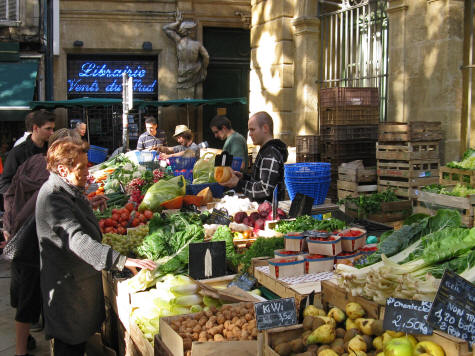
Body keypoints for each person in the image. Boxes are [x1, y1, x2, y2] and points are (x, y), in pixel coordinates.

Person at [36, 138, 156, 355]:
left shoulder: (64, 188)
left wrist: (88, 206)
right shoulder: (52, 196)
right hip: (67, 289)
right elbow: (76, 239)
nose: (88, 172)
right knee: (69, 343)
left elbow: (70, 215)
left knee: (79, 339)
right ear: (63, 169)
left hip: (79, 282)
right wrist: (120, 259)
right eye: (82, 168)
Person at [2, 129, 82, 356]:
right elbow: (56, 204)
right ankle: (20, 351)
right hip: (31, 242)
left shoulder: (39, 164)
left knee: (28, 296)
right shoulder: (50, 176)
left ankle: (28, 342)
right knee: (29, 298)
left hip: (24, 233)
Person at [219, 111, 288, 203]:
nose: (250, 134)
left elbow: (265, 189)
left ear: (265, 128)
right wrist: (244, 177)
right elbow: (261, 179)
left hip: (269, 212)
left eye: (252, 129)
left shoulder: (270, 153)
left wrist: (239, 183)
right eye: (249, 130)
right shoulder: (266, 151)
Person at [0, 110, 55, 195]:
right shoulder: (18, 152)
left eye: (52, 128)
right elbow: (4, 185)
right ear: (36, 128)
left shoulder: (53, 150)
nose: (52, 132)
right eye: (48, 129)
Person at [162, 9, 209, 98]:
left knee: (183, 97)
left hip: (182, 72)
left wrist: (177, 22)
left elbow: (165, 28)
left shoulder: (178, 41)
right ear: (189, 32)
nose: (194, 32)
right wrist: (204, 68)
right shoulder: (197, 45)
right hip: (194, 70)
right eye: (193, 30)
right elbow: (206, 56)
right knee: (190, 97)